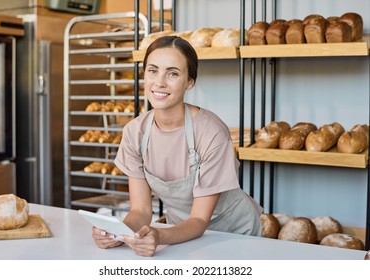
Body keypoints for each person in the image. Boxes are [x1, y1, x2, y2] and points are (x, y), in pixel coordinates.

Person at [92, 35, 262, 257]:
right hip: (180, 233)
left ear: (189, 82)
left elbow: (200, 220)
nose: (160, 82)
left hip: (234, 233)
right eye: (153, 71)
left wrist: (160, 236)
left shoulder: (211, 132)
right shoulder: (135, 132)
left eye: (172, 73)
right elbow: (141, 210)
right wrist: (117, 233)